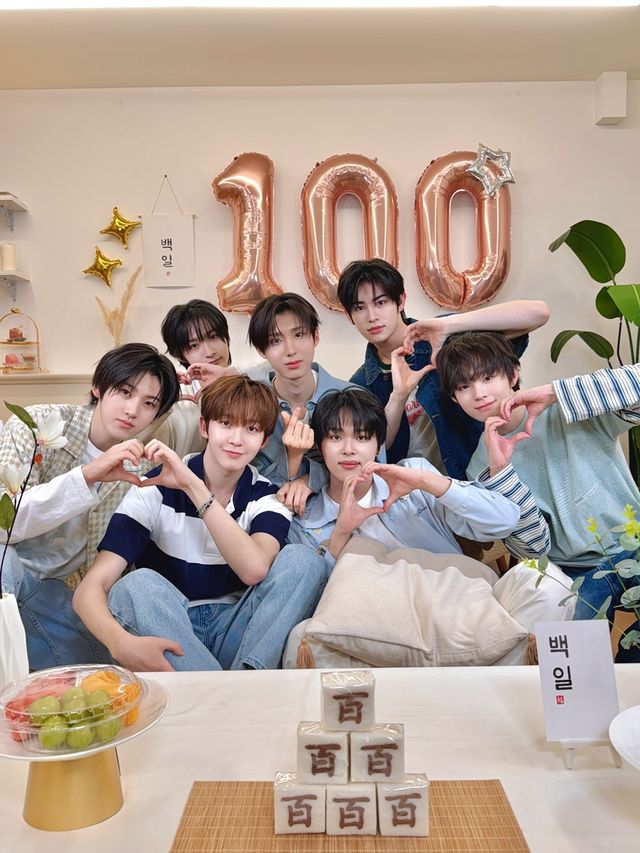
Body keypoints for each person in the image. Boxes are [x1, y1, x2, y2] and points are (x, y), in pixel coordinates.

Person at [72, 375, 327, 672]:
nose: (236, 439)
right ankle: (237, 692)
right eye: (226, 424)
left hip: (237, 630)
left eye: (251, 429)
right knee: (134, 585)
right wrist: (119, 643)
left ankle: (242, 681)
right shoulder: (153, 489)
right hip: (172, 625)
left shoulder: (267, 496)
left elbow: (254, 569)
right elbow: (90, 589)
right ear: (205, 427)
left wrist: (194, 488)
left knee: (304, 561)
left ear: (264, 441)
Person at [436, 331, 640, 655]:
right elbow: (534, 548)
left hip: (634, 546)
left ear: (513, 374)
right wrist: (502, 475)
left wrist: (555, 392)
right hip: (572, 573)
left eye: (487, 377)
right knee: (572, 659)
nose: (479, 393)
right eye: (463, 386)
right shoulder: (480, 468)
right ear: (453, 399)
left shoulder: (571, 408)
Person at [0, 343, 180, 670]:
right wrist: (86, 476)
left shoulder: (140, 472)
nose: (132, 410)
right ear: (98, 387)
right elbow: (3, 525)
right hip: (12, 580)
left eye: (149, 403)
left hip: (63, 602)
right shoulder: (36, 426)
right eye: (124, 392)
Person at [286, 387, 547, 571]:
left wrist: (426, 482)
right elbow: (316, 598)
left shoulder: (415, 475)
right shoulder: (305, 521)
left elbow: (505, 521)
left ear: (378, 446)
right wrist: (340, 534)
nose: (348, 449)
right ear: (320, 446)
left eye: (362, 437)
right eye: (335, 437)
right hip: (381, 623)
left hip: (455, 600)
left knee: (545, 591)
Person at [336, 258, 549, 478]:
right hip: (414, 492)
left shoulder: (444, 336)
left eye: (380, 302)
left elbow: (538, 313)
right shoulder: (360, 384)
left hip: (475, 477)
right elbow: (374, 450)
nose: (372, 317)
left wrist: (448, 325)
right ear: (349, 316)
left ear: (400, 301)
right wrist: (398, 396)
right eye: (359, 308)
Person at [247, 292, 354, 512]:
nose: (291, 350)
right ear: (261, 350)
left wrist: (313, 478)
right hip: (275, 521)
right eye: (275, 341)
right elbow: (245, 480)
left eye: (299, 334)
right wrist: (292, 460)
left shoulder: (353, 398)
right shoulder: (249, 406)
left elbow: (375, 472)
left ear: (316, 336)